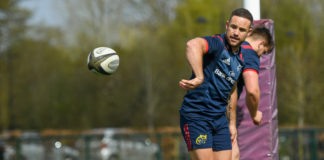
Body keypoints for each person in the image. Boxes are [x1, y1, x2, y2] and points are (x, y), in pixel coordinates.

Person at [179, 8, 261, 160]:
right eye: (233, 27)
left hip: (219, 120)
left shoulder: (242, 57)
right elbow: (192, 45)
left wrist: (231, 123)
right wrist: (199, 76)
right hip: (197, 116)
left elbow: (232, 89)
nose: (236, 33)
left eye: (241, 30)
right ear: (227, 25)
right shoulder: (217, 43)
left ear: (248, 33)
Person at [227, 25, 275, 160]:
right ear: (261, 44)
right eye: (263, 52)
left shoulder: (225, 45)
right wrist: (254, 114)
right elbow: (253, 91)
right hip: (220, 111)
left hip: (197, 106)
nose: (261, 55)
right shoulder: (250, 53)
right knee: (233, 153)